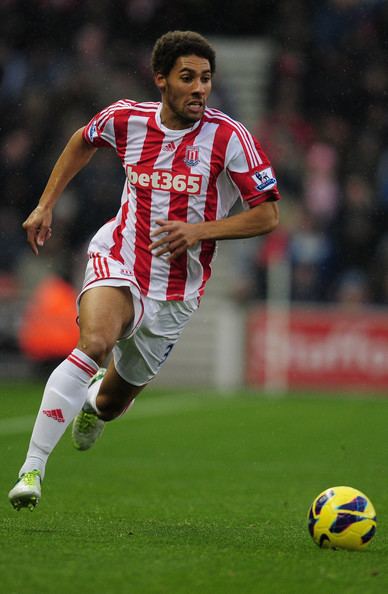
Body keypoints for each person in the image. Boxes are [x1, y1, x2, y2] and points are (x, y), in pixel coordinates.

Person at [8, 30, 280, 510]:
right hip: (120, 258)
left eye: (207, 79)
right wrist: (46, 204)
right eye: (188, 77)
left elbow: (267, 214)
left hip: (175, 293)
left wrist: (201, 231)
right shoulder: (126, 119)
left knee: (111, 404)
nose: (200, 88)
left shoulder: (229, 137)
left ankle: (93, 406)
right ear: (161, 79)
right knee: (93, 343)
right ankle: (33, 468)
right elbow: (82, 140)